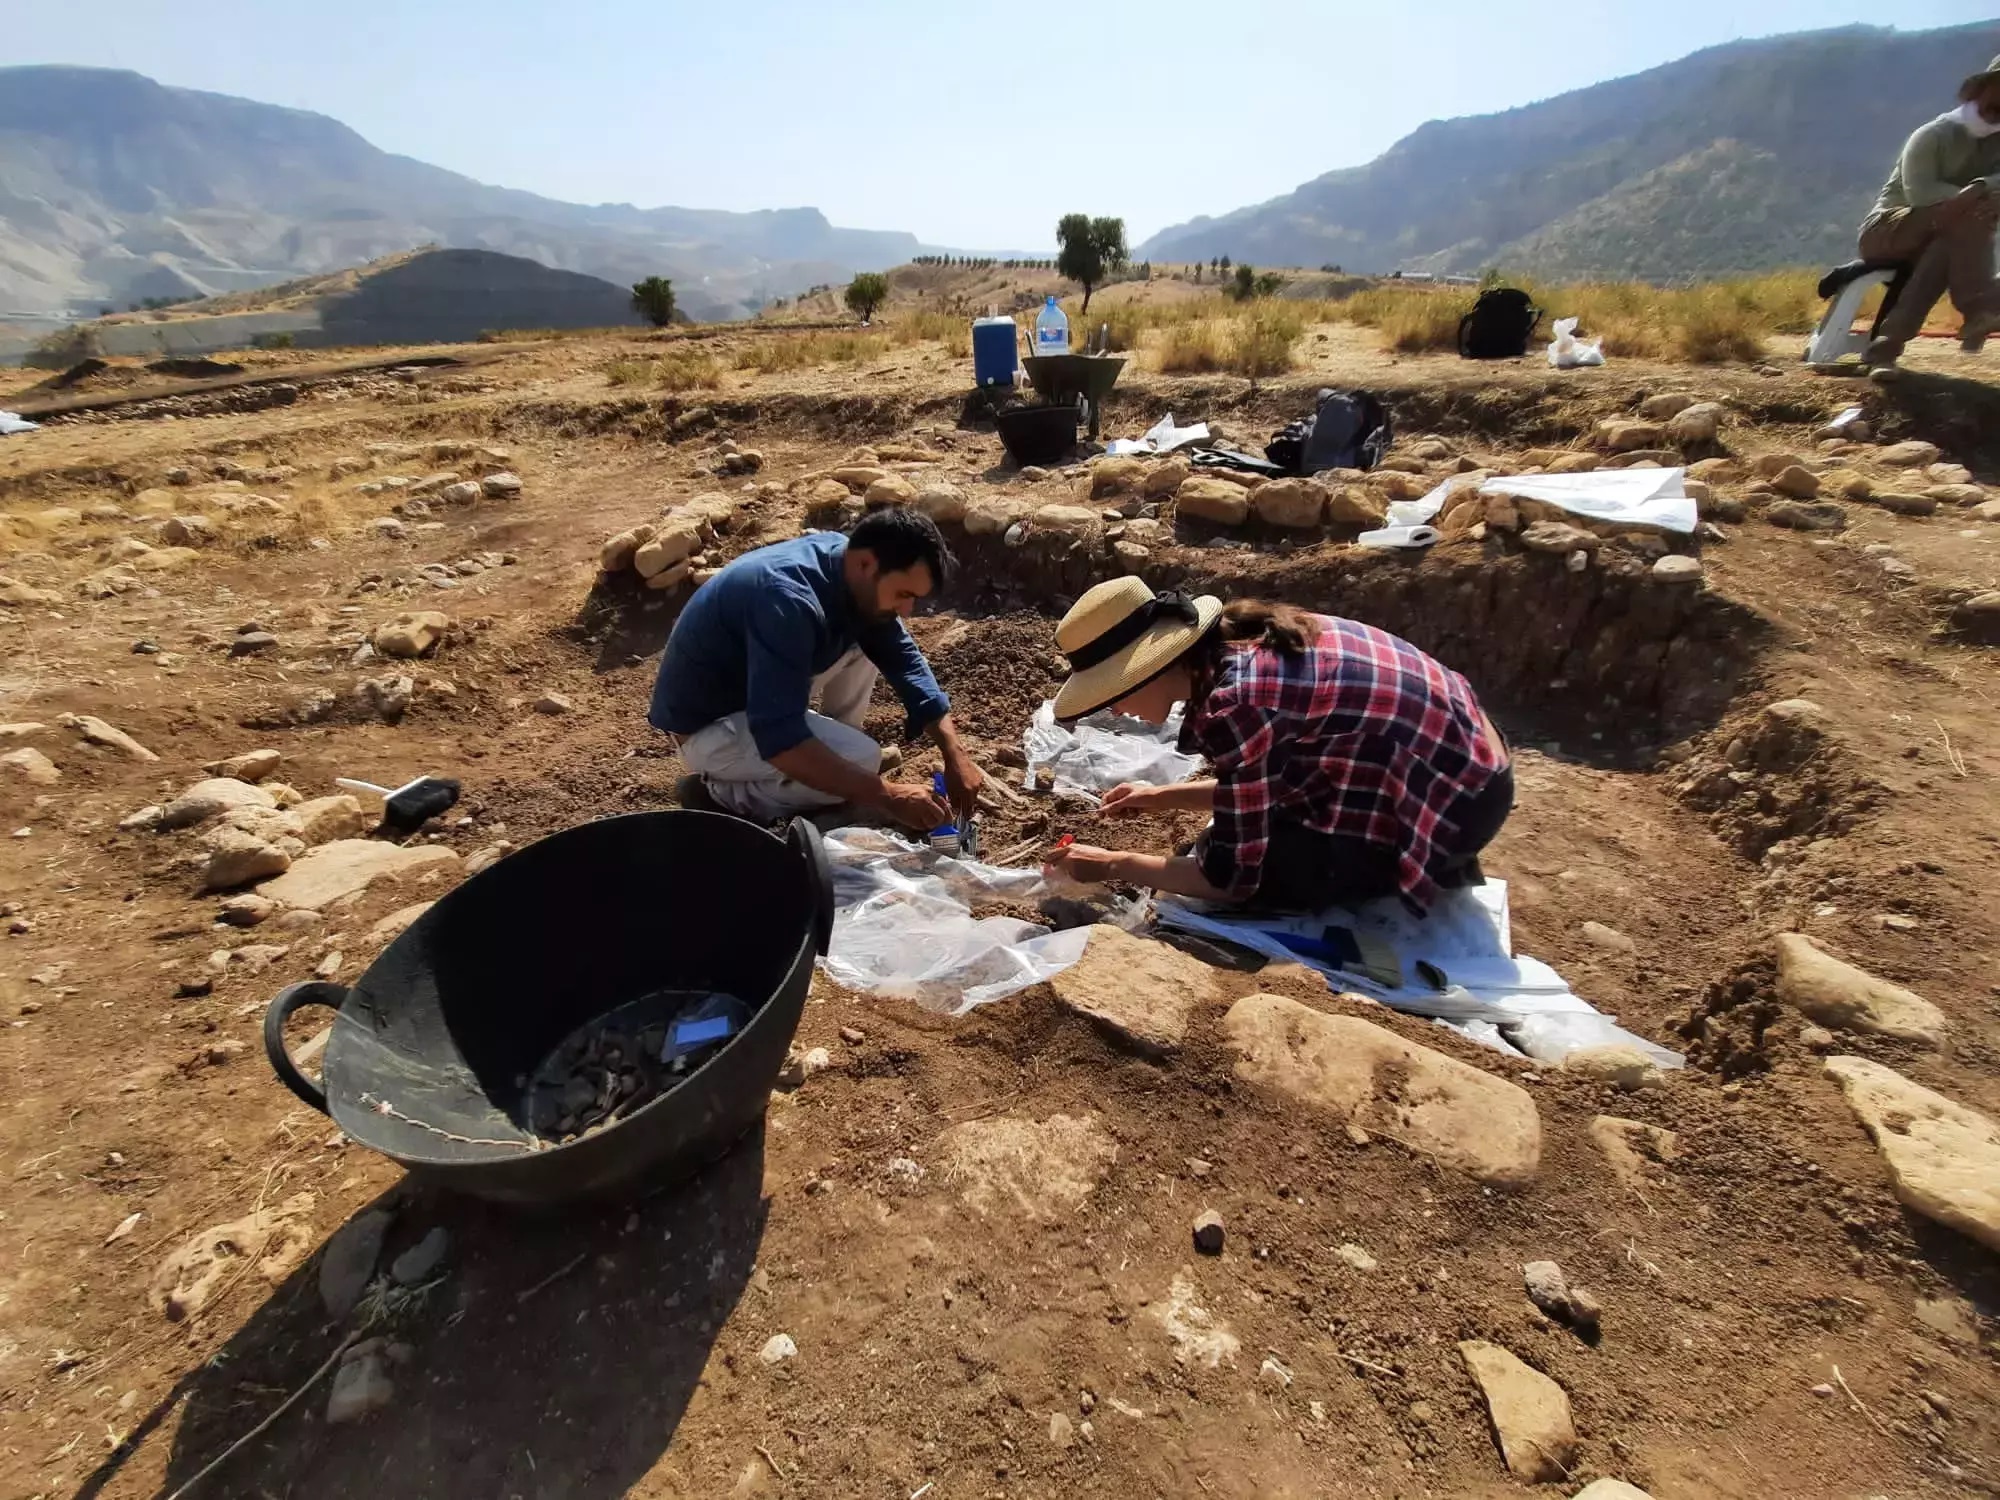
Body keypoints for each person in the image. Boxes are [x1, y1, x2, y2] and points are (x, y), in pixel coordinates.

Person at [1040, 577, 1511, 915]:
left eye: (1115, 694)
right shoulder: (1241, 642)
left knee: (1254, 868)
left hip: (1457, 800)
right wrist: (1160, 798)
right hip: (1470, 756)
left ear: (1154, 667)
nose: (1118, 712)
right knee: (1225, 838)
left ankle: (1405, 861)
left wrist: (1112, 864)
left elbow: (1228, 881)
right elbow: (1272, 778)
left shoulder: (1234, 707)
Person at [649, 508, 983, 828]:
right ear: (866, 563)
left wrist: (954, 753)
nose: (908, 610)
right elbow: (778, 737)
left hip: (752, 696)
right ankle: (719, 795)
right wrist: (887, 795)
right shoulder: (787, 600)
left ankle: (832, 765)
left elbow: (903, 658)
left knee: (872, 639)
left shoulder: (846, 565)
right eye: (903, 593)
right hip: (708, 728)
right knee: (861, 760)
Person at [1860, 53, 2000, 372]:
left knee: (1943, 249)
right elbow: (1920, 193)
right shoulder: (1932, 136)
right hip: (1888, 229)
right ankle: (1978, 307)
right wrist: (1976, 198)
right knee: (1969, 217)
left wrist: (1980, 186)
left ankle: (1886, 347)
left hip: (1947, 235)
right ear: (1983, 89)